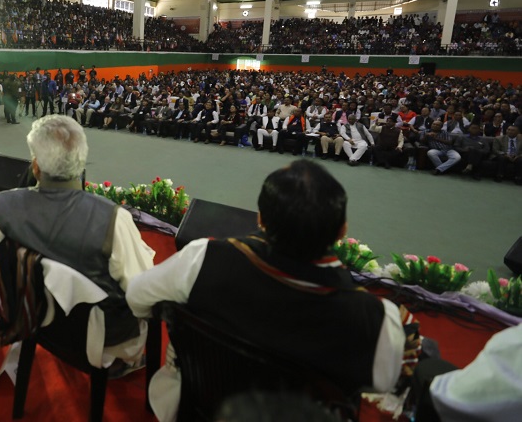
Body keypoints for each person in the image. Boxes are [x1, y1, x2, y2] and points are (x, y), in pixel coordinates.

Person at [125, 161, 406, 422]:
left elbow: (137, 296)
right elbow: (382, 381)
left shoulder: (202, 258)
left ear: (260, 219)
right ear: (342, 231)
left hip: (199, 405)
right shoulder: (375, 317)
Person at [0, 115, 154, 362]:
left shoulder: (6, 208)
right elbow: (142, 298)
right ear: (81, 163)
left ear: (35, 167)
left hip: (31, 320)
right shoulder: (113, 219)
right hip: (98, 340)